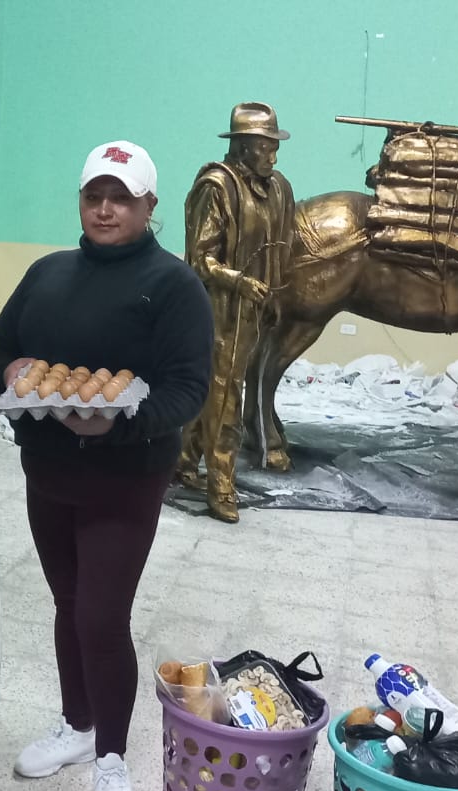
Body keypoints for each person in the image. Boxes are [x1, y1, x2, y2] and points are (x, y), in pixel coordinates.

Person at [0, 140, 212, 791]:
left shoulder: (174, 286)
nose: (106, 209)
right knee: (67, 603)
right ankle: (77, 725)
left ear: (149, 204)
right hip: (48, 472)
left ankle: (111, 755)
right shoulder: (48, 274)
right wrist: (10, 370)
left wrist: (119, 422)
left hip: (124, 480)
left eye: (121, 198)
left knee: (102, 618)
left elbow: (187, 390)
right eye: (94, 196)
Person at [174, 102, 296, 522]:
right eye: (266, 147)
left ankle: (182, 462)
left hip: (254, 308)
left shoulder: (277, 189)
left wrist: (274, 297)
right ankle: (221, 484)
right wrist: (239, 282)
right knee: (226, 396)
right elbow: (200, 259)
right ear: (243, 146)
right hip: (218, 307)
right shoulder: (216, 187)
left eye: (275, 146)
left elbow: (280, 250)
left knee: (214, 388)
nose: (273, 155)